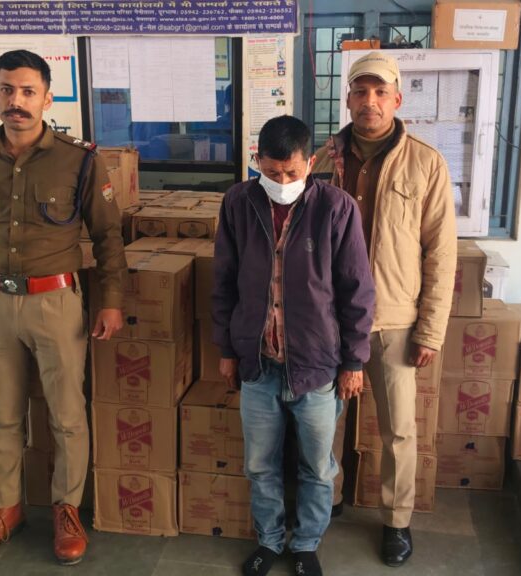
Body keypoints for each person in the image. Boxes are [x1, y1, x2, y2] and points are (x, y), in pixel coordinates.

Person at [0, 49, 127, 566]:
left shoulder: (79, 159)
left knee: (66, 416)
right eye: (7, 89)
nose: (16, 101)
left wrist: (111, 302)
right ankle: (5, 509)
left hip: (55, 303)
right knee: (2, 416)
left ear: (47, 98)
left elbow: (108, 237)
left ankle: (66, 510)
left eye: (28, 91)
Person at [312, 51, 457, 567]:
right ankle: (325, 501)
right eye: (360, 91)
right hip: (328, 317)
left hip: (394, 320)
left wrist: (430, 330)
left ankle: (397, 520)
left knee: (398, 429)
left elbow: (441, 252)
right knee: (323, 420)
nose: (369, 102)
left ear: (397, 99)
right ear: (348, 99)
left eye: (379, 92)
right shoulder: (323, 161)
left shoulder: (426, 163)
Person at [213, 115, 374, 576]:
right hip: (258, 364)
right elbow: (223, 282)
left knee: (317, 467)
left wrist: (354, 361)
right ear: (257, 160)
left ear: (309, 163)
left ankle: (305, 544)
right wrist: (226, 349)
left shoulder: (336, 208)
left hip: (318, 366)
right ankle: (268, 541)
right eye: (272, 172)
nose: (282, 183)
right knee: (260, 465)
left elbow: (357, 290)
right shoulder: (238, 203)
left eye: (292, 172)